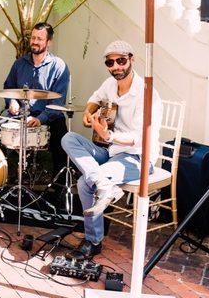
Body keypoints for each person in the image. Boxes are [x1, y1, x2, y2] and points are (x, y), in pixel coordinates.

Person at [61, 40, 162, 259]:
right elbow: (94, 99)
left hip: (137, 158)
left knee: (83, 182)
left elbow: (140, 139)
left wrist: (109, 135)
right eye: (110, 62)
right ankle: (104, 183)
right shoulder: (109, 84)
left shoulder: (146, 93)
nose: (116, 66)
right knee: (69, 138)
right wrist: (89, 114)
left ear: (132, 60)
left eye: (121, 60)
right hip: (111, 151)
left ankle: (93, 241)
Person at [2, 22, 70, 177]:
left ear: (49, 42)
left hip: (49, 117)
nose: (35, 41)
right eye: (33, 37)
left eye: (40, 38)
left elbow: (57, 102)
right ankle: (4, 180)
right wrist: (11, 101)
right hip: (21, 116)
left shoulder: (59, 66)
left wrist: (40, 119)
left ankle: (57, 187)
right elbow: (8, 87)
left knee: (63, 140)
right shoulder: (19, 64)